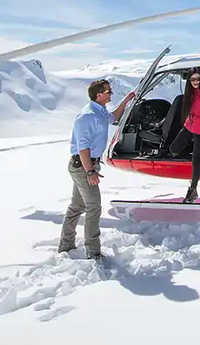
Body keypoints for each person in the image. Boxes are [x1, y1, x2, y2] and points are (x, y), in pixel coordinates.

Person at [58, 79, 134, 262]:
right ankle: (93, 252)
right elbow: (83, 147)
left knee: (77, 206)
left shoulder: (100, 112)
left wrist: (127, 101)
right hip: (82, 166)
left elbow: (113, 117)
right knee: (93, 207)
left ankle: (66, 245)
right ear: (98, 95)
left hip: (87, 165)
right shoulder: (87, 116)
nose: (110, 95)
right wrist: (90, 172)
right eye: (108, 92)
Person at [168, 67, 200, 203]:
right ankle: (194, 165)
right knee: (173, 149)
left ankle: (192, 189)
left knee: (196, 158)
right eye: (193, 79)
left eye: (198, 79)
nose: (196, 82)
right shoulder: (190, 92)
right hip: (190, 125)